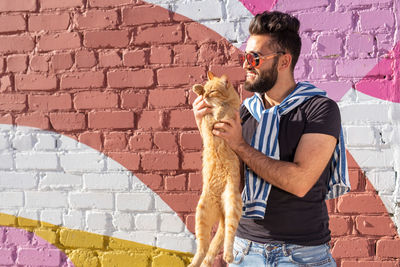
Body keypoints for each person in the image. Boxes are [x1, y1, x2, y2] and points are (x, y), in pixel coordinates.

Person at [192, 11, 350, 267]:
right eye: (245, 57)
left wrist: (239, 145)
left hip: (300, 256)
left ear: (283, 62)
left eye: (254, 58)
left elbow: (300, 181)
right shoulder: (244, 112)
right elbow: (229, 182)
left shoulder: (319, 109)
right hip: (244, 252)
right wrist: (207, 131)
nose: (245, 65)